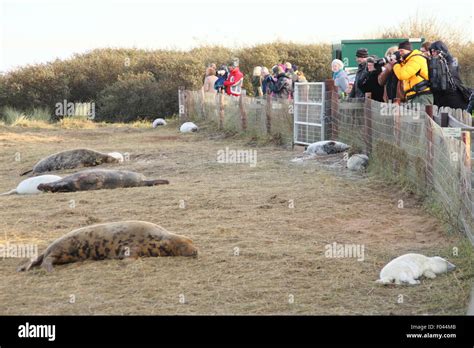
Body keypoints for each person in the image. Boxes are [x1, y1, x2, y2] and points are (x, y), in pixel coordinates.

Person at [429, 41, 469, 109]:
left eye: (434, 51)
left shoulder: (450, 61)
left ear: (440, 51)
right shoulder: (435, 62)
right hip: (441, 97)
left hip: (453, 95)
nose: (432, 53)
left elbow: (451, 77)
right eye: (431, 51)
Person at [392, 40, 433, 106]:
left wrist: (395, 64)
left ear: (408, 50)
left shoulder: (416, 59)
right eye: (399, 51)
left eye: (401, 50)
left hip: (421, 96)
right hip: (413, 96)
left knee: (421, 116)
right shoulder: (409, 60)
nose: (400, 53)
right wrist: (400, 62)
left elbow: (402, 75)